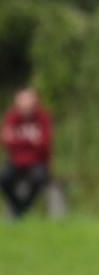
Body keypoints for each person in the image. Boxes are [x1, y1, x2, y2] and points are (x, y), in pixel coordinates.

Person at [1, 87, 53, 219]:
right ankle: (19, 206)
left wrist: (17, 140)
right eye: (22, 106)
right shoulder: (12, 117)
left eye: (29, 105)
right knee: (4, 179)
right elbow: (6, 140)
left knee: (39, 178)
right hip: (16, 162)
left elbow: (45, 144)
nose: (26, 109)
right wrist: (30, 141)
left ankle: (23, 207)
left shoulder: (43, 117)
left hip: (38, 162)